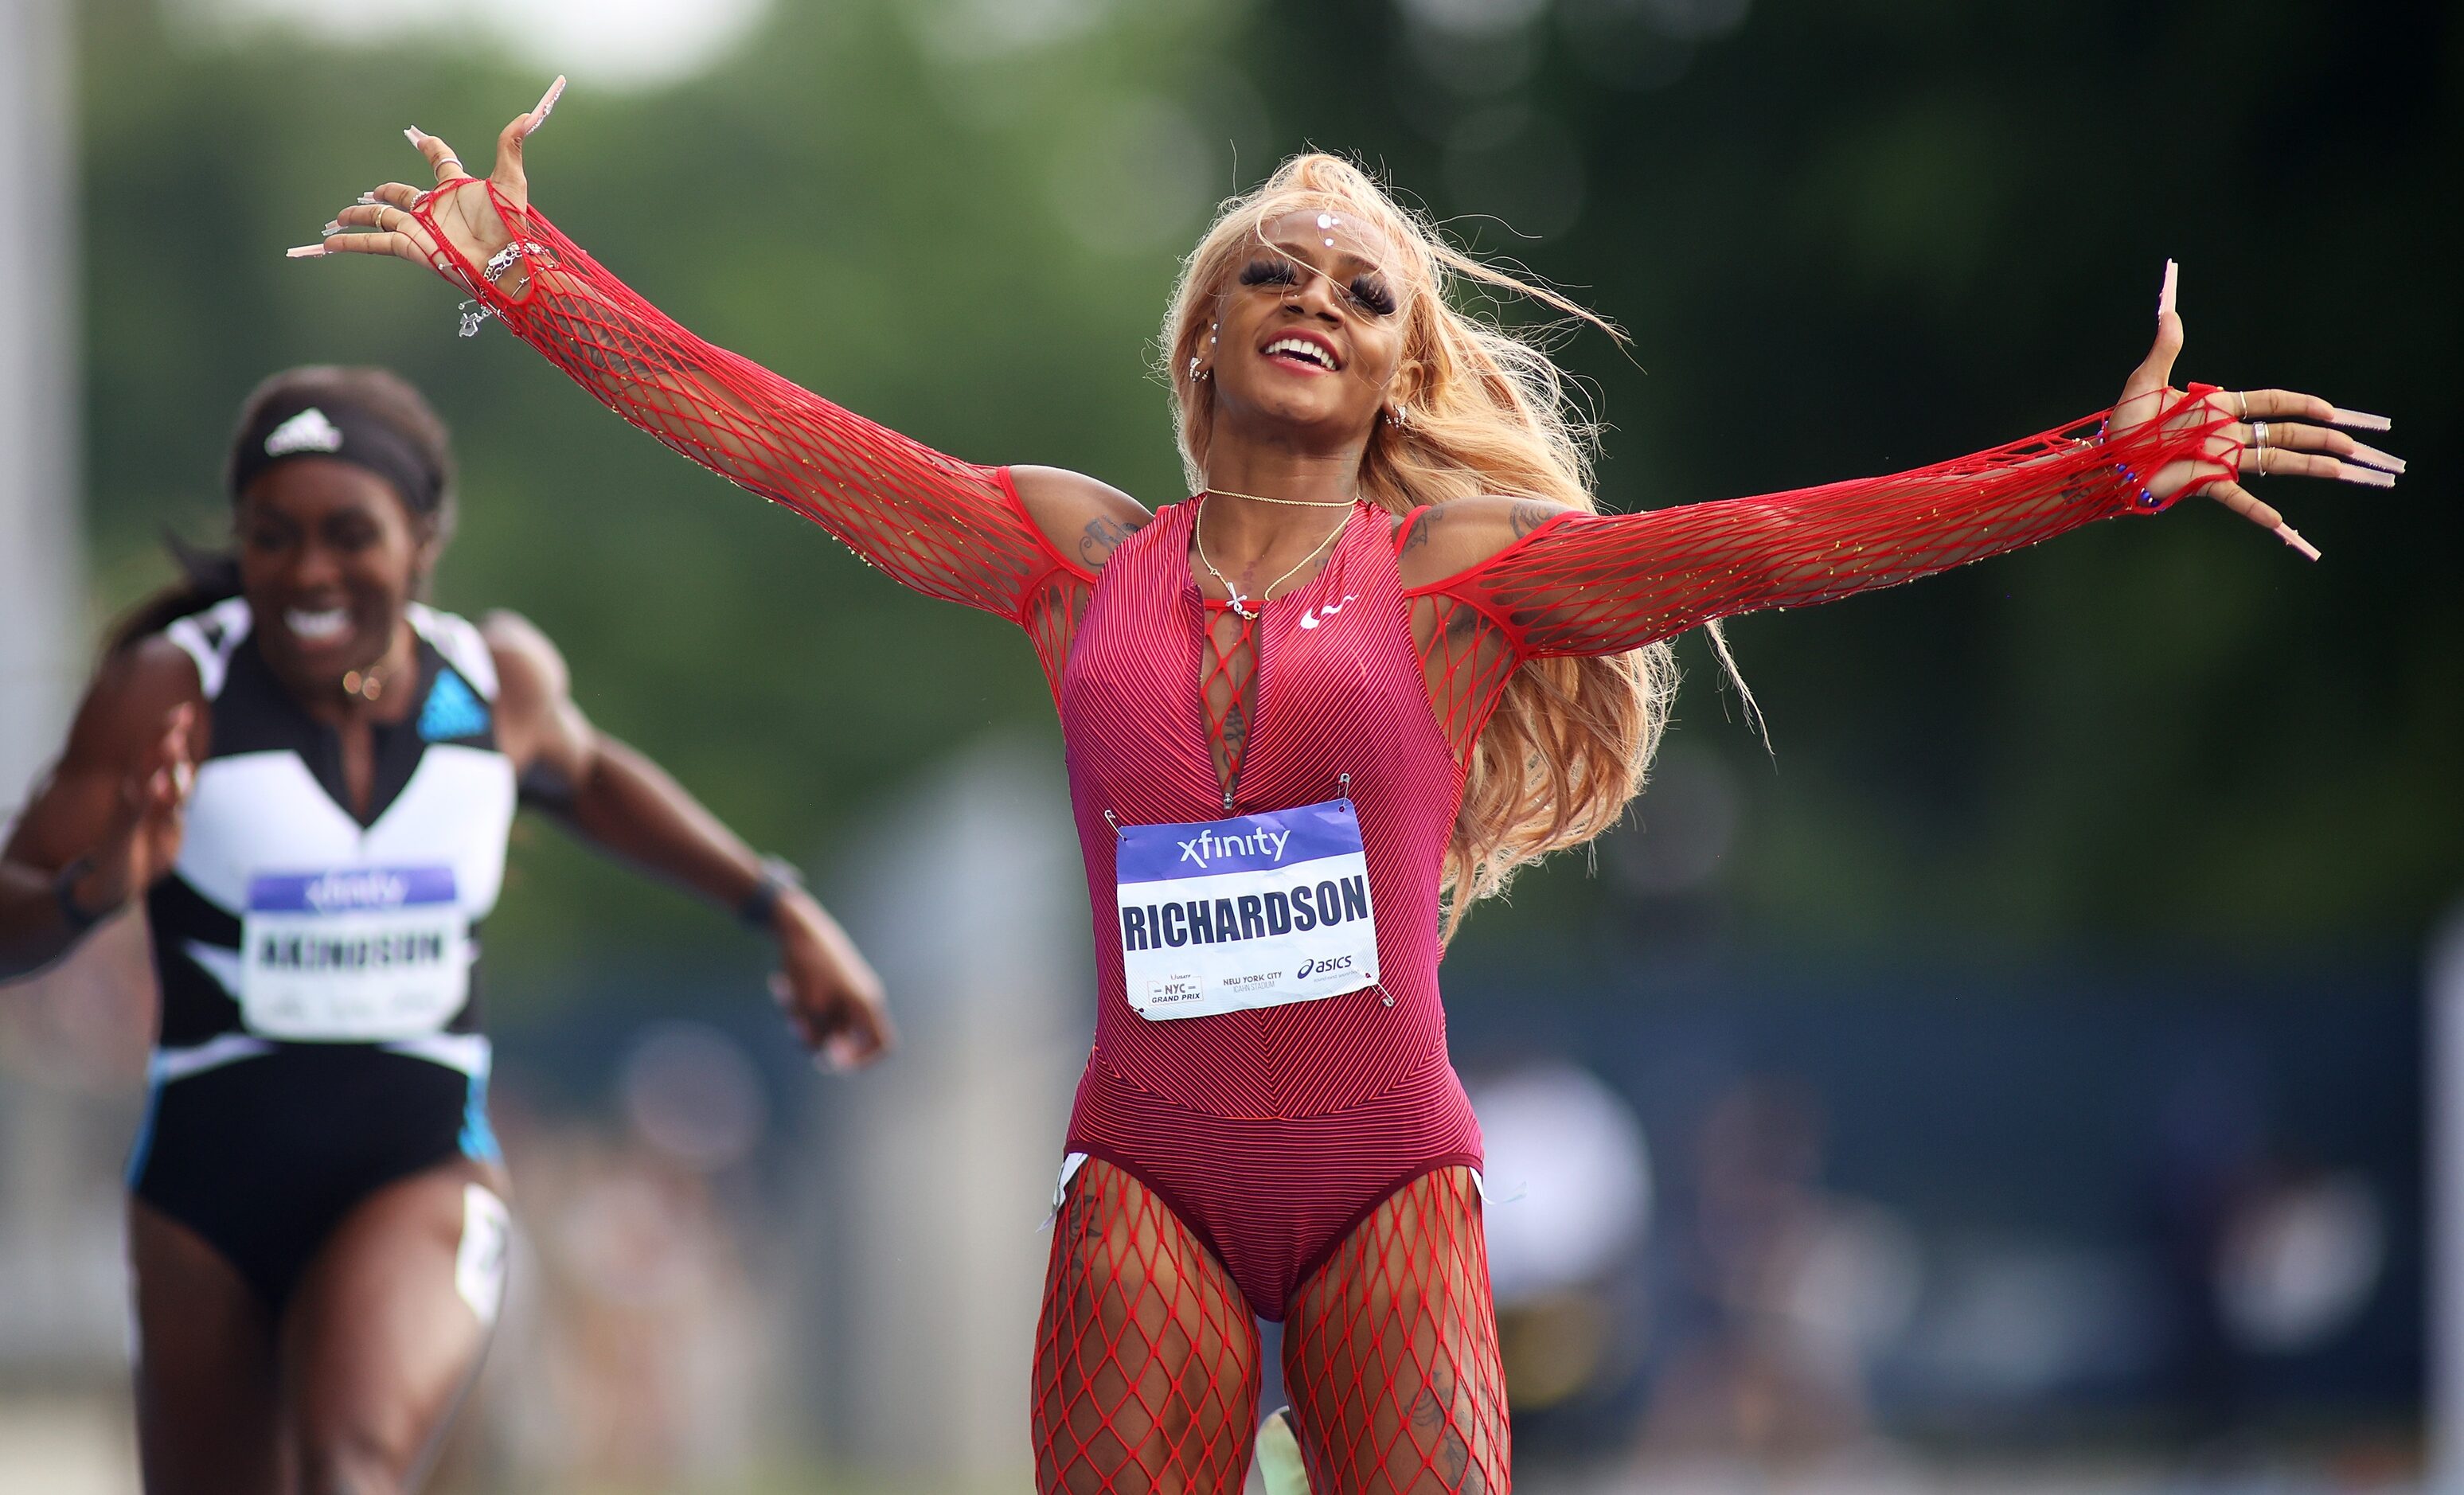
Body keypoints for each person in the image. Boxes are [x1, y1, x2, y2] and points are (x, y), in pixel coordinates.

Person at [296, 82, 2396, 1493]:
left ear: (1399, 373)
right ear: (1203, 347)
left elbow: (1771, 545)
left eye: (1362, 288)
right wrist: (531, 277)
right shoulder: (1065, 553)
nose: (1313, 292)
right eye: (1271, 276)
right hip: (1148, 1179)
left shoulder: (1473, 587)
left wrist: (2095, 468)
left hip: (1396, 1177)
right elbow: (780, 440)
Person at [0, 363, 892, 1495]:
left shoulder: (493, 683)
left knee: (353, 1468)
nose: (308, 571)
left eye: (347, 533)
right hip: (205, 1193)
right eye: (273, 537)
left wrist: (781, 907)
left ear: (422, 538)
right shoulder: (169, 693)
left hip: (419, 1167)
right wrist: (97, 882)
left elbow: (599, 781)